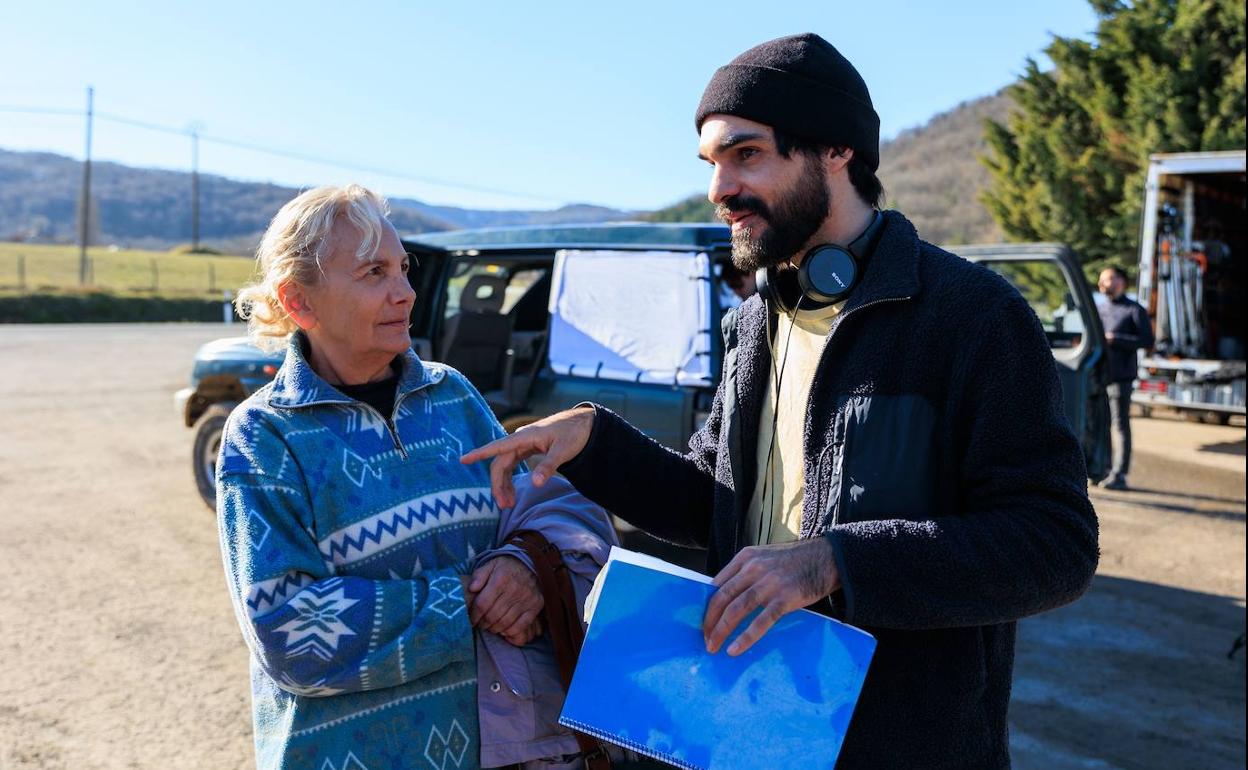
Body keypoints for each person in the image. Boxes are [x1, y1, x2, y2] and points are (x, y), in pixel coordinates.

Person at [462, 34, 1098, 769]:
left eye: (746, 154)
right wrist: (593, 441)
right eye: (711, 164)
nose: (718, 188)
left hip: (898, 744)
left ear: (836, 151)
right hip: (744, 731)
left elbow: (1056, 544)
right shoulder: (753, 324)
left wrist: (833, 563)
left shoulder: (972, 319)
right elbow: (713, 504)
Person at [217, 184, 619, 770]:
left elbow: (553, 508)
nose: (404, 293)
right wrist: (468, 605)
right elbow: (290, 633)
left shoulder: (450, 393)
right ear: (299, 301)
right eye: (374, 272)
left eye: (403, 268)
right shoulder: (263, 436)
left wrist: (524, 568)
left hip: (503, 752)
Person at [1096, 265, 1154, 490]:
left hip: (1122, 377)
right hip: (1100, 377)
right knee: (1102, 425)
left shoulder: (1134, 310)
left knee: (1120, 425)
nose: (1102, 284)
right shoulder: (1099, 309)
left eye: (1107, 279)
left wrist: (1116, 339)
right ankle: (1104, 469)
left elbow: (1147, 342)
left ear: (1120, 282)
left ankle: (1120, 474)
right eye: (1101, 280)